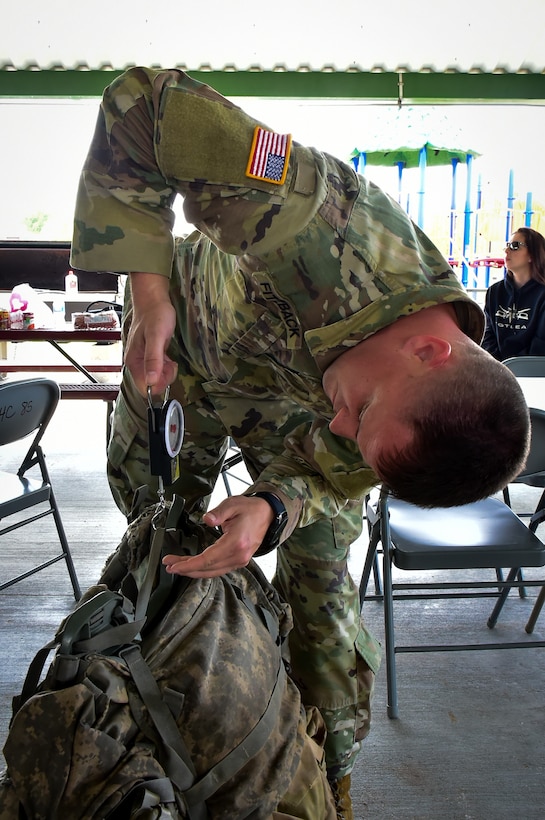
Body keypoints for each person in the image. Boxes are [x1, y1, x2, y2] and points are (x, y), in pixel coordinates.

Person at [71, 66, 530, 819]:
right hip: (180, 347)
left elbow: (340, 461)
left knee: (319, 596)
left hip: (281, 403)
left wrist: (273, 506)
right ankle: (146, 732)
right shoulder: (309, 216)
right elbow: (144, 103)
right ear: (425, 352)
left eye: (360, 433)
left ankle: (325, 775)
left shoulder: (409, 411)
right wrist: (148, 294)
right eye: (360, 415)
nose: (344, 430)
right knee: (159, 534)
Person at [482, 227, 545, 360]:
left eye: (515, 246)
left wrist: (515, 366)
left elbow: (540, 344)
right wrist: (497, 365)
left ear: (532, 255)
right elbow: (487, 335)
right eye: (507, 245)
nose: (507, 250)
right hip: (497, 369)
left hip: (533, 371)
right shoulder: (494, 292)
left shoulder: (542, 295)